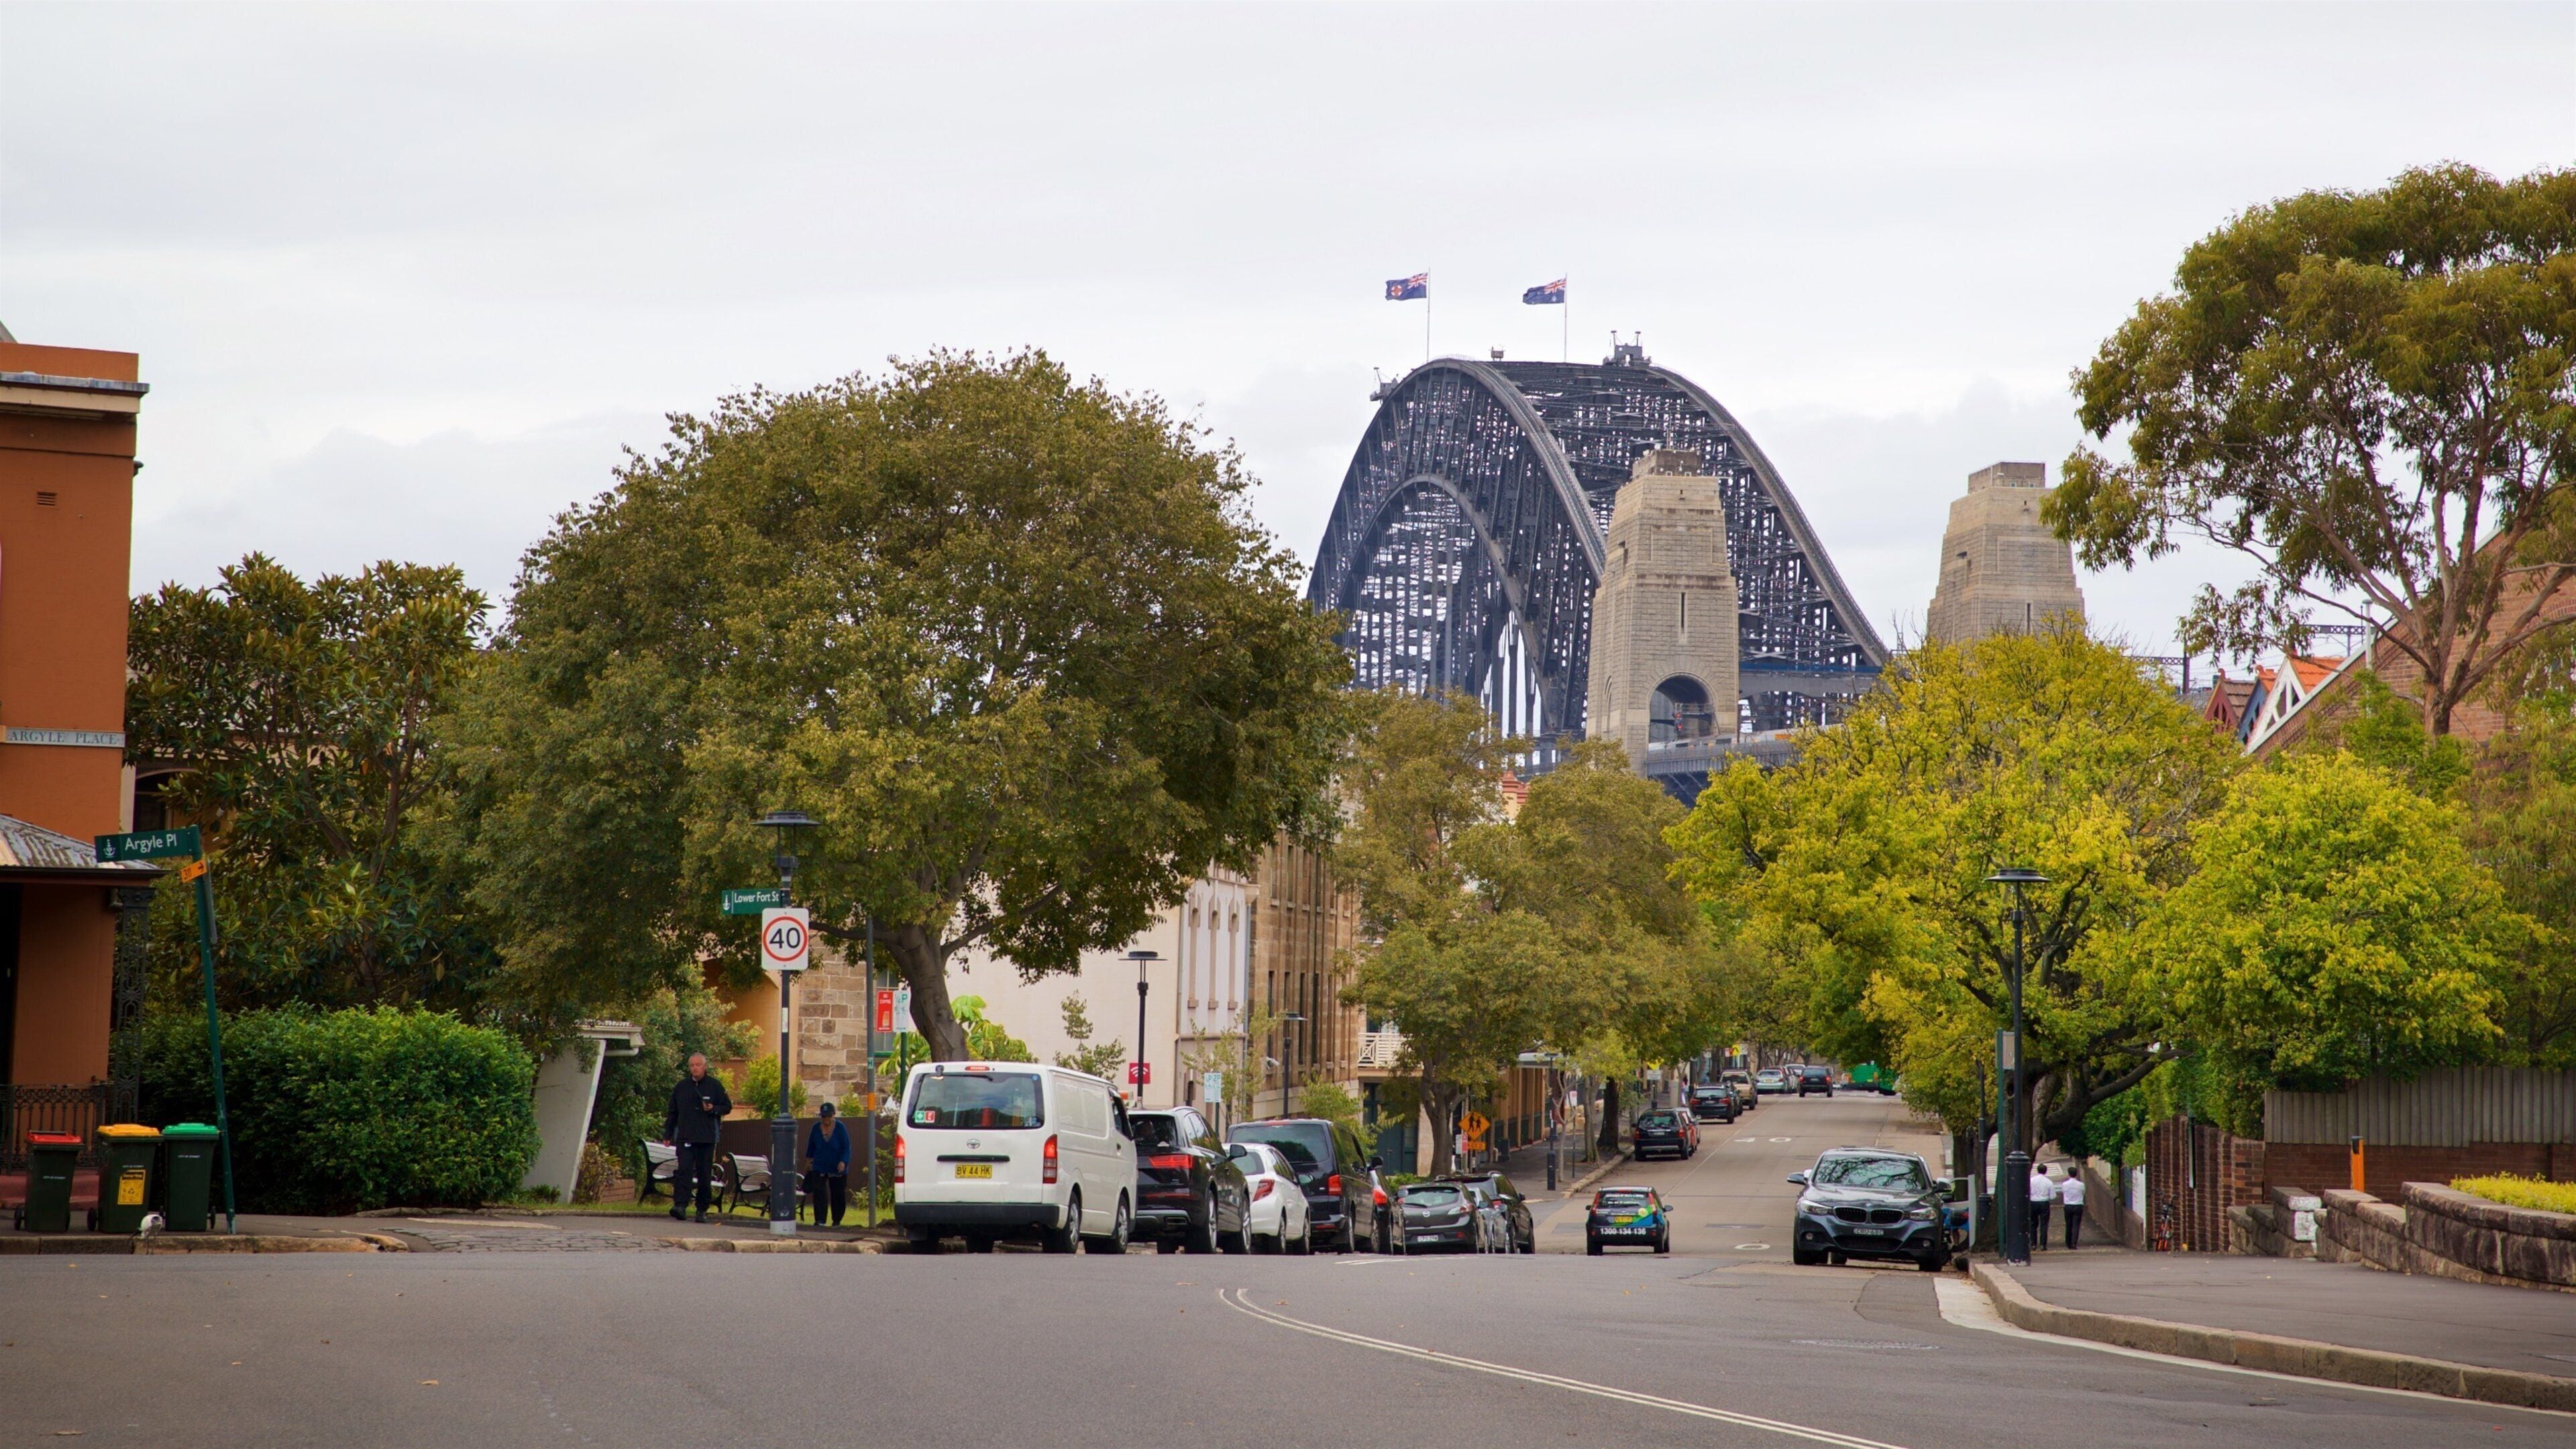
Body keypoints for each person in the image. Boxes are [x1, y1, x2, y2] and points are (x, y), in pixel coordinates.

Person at [662, 1053, 733, 1223]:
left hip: (706, 1138)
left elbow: (727, 1107)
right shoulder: (682, 1087)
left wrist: (713, 1109)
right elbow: (673, 1112)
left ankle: (702, 1209)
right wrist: (668, 1134)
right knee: (684, 1171)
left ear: (705, 1066)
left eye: (698, 1065)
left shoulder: (715, 1086)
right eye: (692, 1065)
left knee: (704, 1174)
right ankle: (680, 1206)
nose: (695, 1068)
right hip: (685, 1136)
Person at [805, 1101, 852, 1227]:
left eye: (829, 1116)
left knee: (838, 1194)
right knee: (819, 1193)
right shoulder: (816, 1128)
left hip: (837, 1166)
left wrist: (844, 1162)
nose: (826, 1119)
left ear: (834, 1115)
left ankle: (837, 1220)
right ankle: (820, 1220)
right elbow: (811, 1145)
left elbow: (846, 1148)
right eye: (823, 1116)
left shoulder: (840, 1128)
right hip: (820, 1165)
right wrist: (808, 1161)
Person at [2027, 1162, 2056, 1251]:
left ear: (2037, 1170)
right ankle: (2043, 1244)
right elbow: (2053, 1196)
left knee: (2033, 1224)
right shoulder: (2049, 1182)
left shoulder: (2032, 1180)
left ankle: (2033, 1244)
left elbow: (2028, 1192)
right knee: (2044, 1224)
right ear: (2046, 1172)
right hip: (2044, 1203)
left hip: (2033, 1202)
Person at [2058, 1163, 2087, 1249]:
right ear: (2076, 1174)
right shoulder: (2081, 1185)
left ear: (2069, 1174)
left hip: (2068, 1206)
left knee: (2068, 1224)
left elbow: (2064, 1192)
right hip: (2078, 1205)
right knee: (2076, 1225)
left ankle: (2068, 1242)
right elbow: (2083, 1193)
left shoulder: (2065, 1184)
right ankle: (2074, 1243)